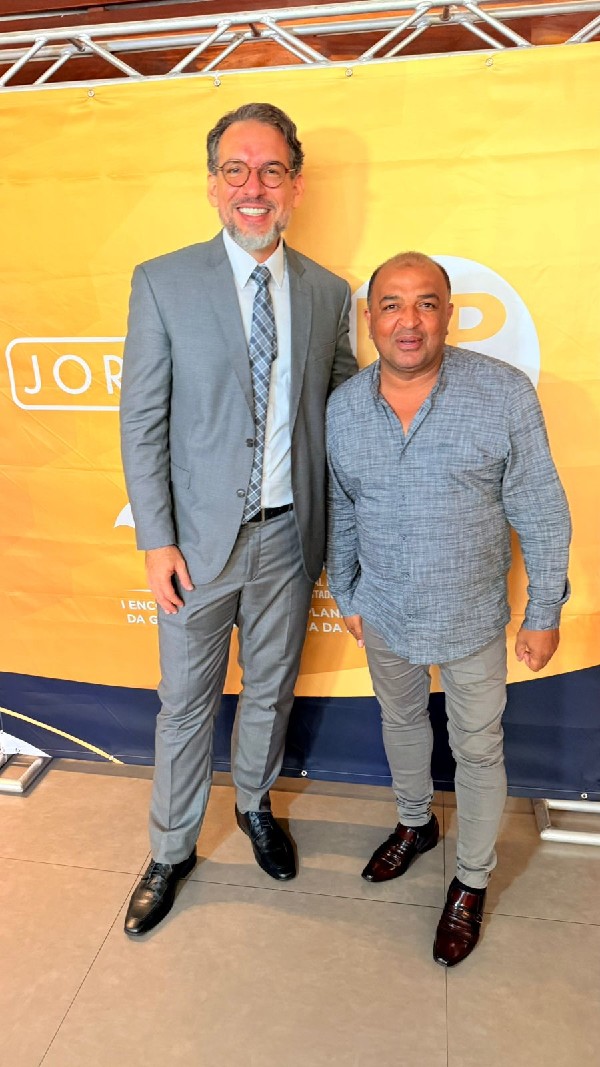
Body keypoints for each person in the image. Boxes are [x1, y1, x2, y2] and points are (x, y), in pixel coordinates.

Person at [120, 102, 357, 937]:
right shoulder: (163, 281)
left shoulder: (329, 292)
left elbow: (342, 413)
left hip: (289, 538)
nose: (253, 187)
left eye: (270, 171)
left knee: (270, 688)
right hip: (194, 546)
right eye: (235, 170)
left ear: (295, 185)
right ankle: (170, 848)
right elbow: (141, 419)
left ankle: (255, 803)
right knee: (184, 704)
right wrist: (157, 539)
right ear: (213, 183)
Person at [326, 251, 571, 967]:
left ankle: (470, 880)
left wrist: (544, 609)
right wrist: (347, 591)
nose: (409, 321)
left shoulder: (502, 393)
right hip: (384, 609)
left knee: (477, 747)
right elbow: (341, 507)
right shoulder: (344, 407)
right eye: (392, 305)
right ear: (370, 318)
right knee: (400, 723)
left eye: (426, 304)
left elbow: (543, 510)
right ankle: (415, 824)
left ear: (449, 315)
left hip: (470, 615)